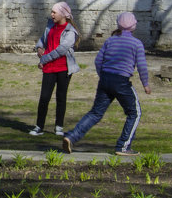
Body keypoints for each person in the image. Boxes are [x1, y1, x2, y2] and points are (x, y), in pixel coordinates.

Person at [60, 12, 150, 157]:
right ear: (133, 26)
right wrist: (146, 84)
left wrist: (103, 76)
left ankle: (71, 137)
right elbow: (142, 66)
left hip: (105, 80)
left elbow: (98, 61)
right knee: (135, 112)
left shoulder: (110, 41)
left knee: (95, 113)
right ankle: (123, 146)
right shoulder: (136, 44)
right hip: (121, 82)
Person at [30, 2, 79, 136]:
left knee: (61, 97)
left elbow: (61, 50)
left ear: (63, 14)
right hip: (49, 68)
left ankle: (59, 127)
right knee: (44, 97)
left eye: (54, 12)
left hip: (63, 68)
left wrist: (44, 59)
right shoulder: (50, 26)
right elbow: (43, 40)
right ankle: (39, 126)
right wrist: (39, 47)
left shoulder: (70, 32)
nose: (51, 14)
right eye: (51, 12)